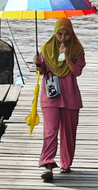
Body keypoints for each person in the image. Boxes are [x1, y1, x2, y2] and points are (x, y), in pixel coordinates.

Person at [34, 18, 85, 181]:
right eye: (60, 34)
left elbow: (76, 72)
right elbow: (42, 71)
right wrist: (38, 64)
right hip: (51, 95)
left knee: (68, 132)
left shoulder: (77, 49)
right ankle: (48, 164)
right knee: (50, 131)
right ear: (55, 34)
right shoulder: (47, 48)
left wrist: (66, 56)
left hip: (70, 95)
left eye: (66, 34)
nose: (63, 38)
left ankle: (66, 163)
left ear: (72, 33)